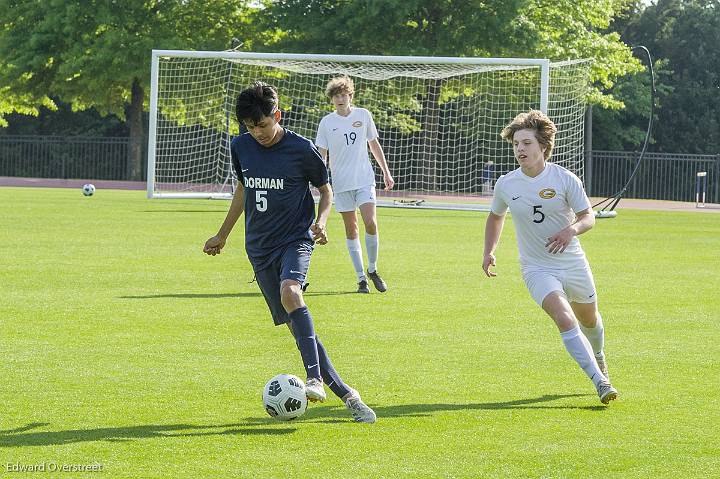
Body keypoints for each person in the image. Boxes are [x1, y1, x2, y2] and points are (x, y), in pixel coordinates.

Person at [203, 82, 376, 423]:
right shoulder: (241, 147)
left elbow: (326, 190)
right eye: (250, 128)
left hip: (296, 238)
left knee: (291, 291)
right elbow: (242, 189)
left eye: (263, 125)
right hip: (259, 249)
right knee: (299, 330)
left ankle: (314, 379)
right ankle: (347, 394)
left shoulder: (301, 149)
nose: (258, 133)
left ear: (277, 116)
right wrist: (222, 235)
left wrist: (321, 222)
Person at [482, 110, 618, 405]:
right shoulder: (506, 184)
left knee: (590, 319)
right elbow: (495, 217)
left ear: (543, 146)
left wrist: (570, 231)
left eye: (527, 143)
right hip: (536, 268)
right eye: (516, 143)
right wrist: (489, 251)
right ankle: (599, 381)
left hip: (572, 262)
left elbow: (587, 217)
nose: (520, 149)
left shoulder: (565, 179)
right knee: (564, 318)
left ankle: (599, 356)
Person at [315, 75, 394, 294]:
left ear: (351, 95)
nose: (340, 99)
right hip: (340, 184)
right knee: (352, 229)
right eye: (336, 96)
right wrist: (321, 182)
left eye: (343, 95)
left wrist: (386, 172)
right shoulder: (327, 122)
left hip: (364, 180)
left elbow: (373, 144)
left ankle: (373, 269)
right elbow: (321, 154)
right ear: (332, 99)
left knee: (370, 222)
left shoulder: (363, 115)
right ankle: (361, 279)